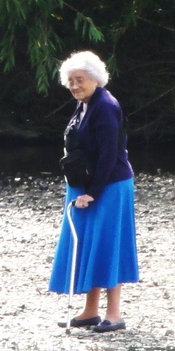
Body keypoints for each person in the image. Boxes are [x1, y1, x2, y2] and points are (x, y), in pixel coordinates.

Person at [48, 51, 138, 332]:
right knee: (88, 245)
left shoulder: (105, 106)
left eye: (81, 80)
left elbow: (109, 154)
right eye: (71, 81)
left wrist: (93, 192)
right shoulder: (85, 104)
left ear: (95, 79)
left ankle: (114, 314)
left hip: (110, 186)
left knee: (108, 246)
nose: (75, 86)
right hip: (87, 185)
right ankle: (89, 311)